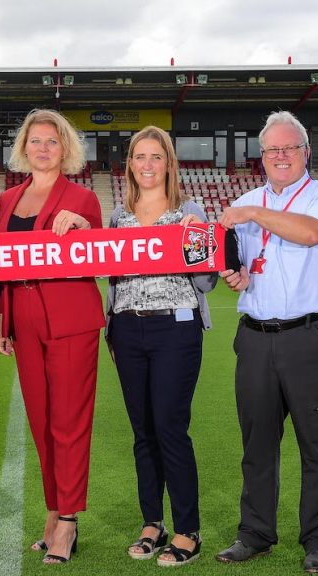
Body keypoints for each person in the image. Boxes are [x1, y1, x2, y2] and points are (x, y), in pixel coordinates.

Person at [215, 111, 318, 574]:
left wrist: (252, 213)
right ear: (262, 156)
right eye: (272, 149)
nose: (280, 155)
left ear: (305, 152)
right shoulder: (246, 199)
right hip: (255, 338)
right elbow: (242, 263)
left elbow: (311, 234)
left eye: (289, 147)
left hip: (310, 336)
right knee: (257, 445)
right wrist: (235, 274)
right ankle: (254, 534)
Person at [0, 109, 105, 564]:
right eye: (36, 141)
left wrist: (84, 229)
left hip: (70, 319)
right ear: (24, 147)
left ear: (66, 149)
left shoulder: (83, 198)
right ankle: (54, 509)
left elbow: (100, 257)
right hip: (24, 319)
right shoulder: (8, 198)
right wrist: (4, 320)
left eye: (52, 142)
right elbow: (1, 263)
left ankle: (69, 523)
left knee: (69, 422)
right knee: (40, 422)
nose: (43, 148)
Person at [105, 126, 218, 567]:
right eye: (139, 157)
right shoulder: (118, 217)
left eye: (156, 157)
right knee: (143, 432)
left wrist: (198, 237)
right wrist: (110, 329)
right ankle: (153, 522)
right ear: (130, 164)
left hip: (177, 328)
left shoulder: (189, 210)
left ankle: (188, 529)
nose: (147, 165)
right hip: (128, 331)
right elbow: (113, 279)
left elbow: (207, 280)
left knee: (170, 427)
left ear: (169, 163)